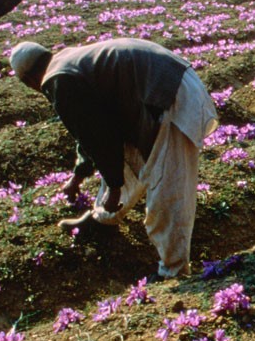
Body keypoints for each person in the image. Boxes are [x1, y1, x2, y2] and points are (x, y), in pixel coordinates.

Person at [11, 37, 218, 279]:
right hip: (161, 89)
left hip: (169, 95)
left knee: (167, 187)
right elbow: (91, 130)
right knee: (129, 154)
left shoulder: (58, 79)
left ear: (28, 81)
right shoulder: (67, 62)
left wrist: (115, 187)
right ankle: (104, 220)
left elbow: (98, 138)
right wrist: (78, 176)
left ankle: (173, 270)